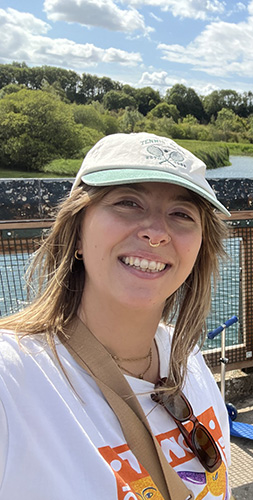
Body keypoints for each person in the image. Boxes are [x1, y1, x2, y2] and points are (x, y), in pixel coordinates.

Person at [0, 132, 233, 499]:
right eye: (128, 202)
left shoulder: (185, 356)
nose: (156, 233)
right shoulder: (12, 379)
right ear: (77, 231)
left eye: (181, 214)